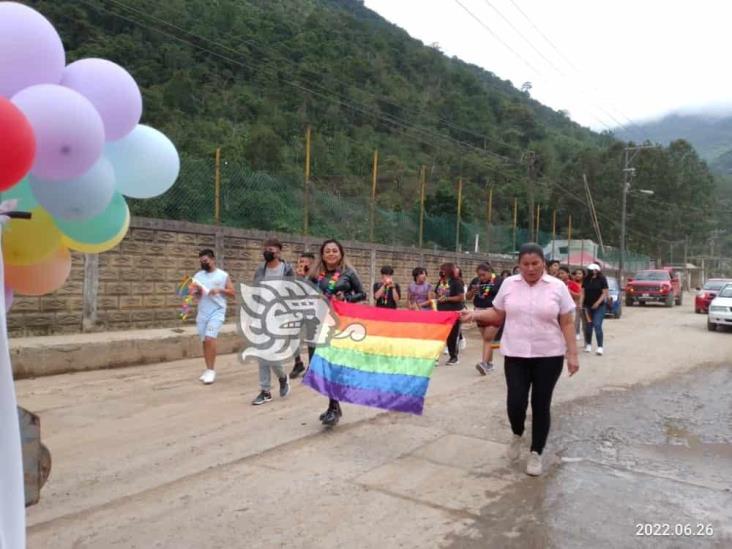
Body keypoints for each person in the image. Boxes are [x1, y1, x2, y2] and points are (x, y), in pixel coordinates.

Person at [461, 243, 579, 476]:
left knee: (540, 404)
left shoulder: (557, 287)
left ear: (543, 263)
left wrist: (572, 354)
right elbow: (497, 313)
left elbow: (567, 322)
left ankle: (536, 452)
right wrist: (474, 314)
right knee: (515, 402)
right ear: (518, 265)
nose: (530, 268)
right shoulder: (509, 284)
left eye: (535, 264)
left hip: (549, 355)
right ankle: (517, 434)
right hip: (515, 353)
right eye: (525, 264)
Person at [309, 239, 366, 426]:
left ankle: (334, 406)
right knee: (319, 366)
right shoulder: (315, 274)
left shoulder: (348, 273)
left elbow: (362, 294)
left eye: (335, 250)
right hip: (318, 323)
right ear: (322, 255)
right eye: (327, 251)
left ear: (340, 253)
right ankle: (334, 405)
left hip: (340, 325)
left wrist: (347, 298)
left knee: (333, 365)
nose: (331, 254)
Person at [251, 238, 296, 405]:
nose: (267, 251)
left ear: (279, 252)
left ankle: (283, 378)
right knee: (262, 353)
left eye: (271, 249)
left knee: (270, 353)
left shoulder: (287, 270)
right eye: (265, 249)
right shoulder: (260, 269)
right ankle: (265, 391)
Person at [193, 249, 235, 385]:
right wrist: (196, 292)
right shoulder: (198, 276)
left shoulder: (222, 275)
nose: (203, 263)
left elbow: (232, 292)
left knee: (210, 338)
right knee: (205, 341)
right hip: (203, 312)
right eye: (201, 261)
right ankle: (207, 368)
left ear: (212, 259)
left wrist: (220, 290)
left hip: (217, 311)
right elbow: (195, 296)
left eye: (205, 261)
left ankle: (211, 370)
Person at [466, 263, 502, 375]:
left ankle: (484, 363)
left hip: (493, 312)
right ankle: (489, 364)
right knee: (486, 339)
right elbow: (467, 297)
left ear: (490, 271)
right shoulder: (476, 281)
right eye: (479, 275)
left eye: (483, 275)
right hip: (479, 312)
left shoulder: (499, 281)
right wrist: (473, 291)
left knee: (488, 338)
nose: (481, 277)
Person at [289, 252, 316, 379]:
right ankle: (298, 363)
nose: (301, 264)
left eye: (304, 262)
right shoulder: (297, 277)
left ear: (311, 264)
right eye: (299, 262)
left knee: (311, 340)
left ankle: (312, 367)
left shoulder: (316, 277)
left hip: (313, 311)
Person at [435, 262, 465, 365]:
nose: (441, 271)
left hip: (453, 312)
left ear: (448, 270)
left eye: (443, 269)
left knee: (452, 335)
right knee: (440, 334)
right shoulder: (441, 281)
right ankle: (436, 357)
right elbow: (436, 292)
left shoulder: (457, 282)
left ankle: (454, 357)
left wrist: (447, 298)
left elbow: (461, 297)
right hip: (441, 311)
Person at [582, 263, 609, 355]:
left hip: (599, 306)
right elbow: (583, 293)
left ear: (597, 270)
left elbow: (604, 293)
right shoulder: (586, 279)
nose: (591, 271)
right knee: (589, 326)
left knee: (597, 325)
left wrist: (597, 303)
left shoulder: (602, 279)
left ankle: (600, 347)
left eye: (592, 270)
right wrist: (581, 304)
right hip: (587, 306)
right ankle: (588, 344)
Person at [572, 269, 586, 340]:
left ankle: (586, 336)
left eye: (580, 273)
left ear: (583, 275)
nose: (578, 275)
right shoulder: (573, 284)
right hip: (575, 305)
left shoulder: (586, 284)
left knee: (584, 322)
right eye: (576, 273)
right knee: (576, 320)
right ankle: (577, 333)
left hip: (584, 305)